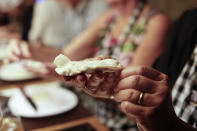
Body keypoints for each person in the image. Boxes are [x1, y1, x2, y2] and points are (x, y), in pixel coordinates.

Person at [4, 0, 170, 130]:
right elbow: (68, 55)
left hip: (117, 122)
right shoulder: (111, 16)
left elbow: (131, 98)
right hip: (88, 108)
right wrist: (27, 48)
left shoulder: (156, 21)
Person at [29, 0, 107, 48]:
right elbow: (34, 39)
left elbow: (91, 41)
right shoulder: (68, 10)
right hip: (71, 56)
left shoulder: (98, 5)